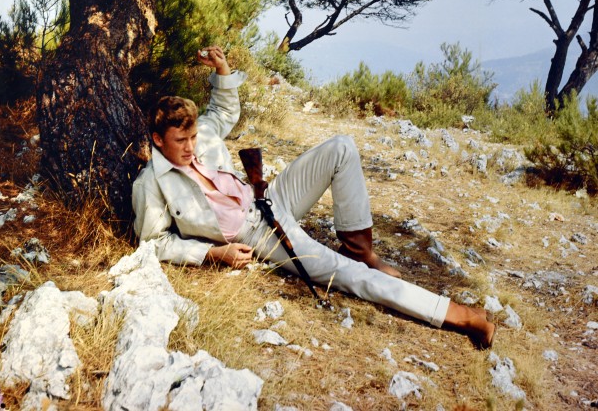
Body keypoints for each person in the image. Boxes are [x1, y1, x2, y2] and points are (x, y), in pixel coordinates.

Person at [132, 46, 495, 348]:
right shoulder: (151, 184)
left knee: (341, 147)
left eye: (193, 138)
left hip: (269, 198)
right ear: (158, 139)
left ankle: (360, 250)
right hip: (257, 234)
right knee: (350, 276)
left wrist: (222, 70)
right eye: (180, 141)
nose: (190, 147)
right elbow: (155, 242)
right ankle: (460, 316)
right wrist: (214, 253)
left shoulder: (201, 136)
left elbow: (223, 111)